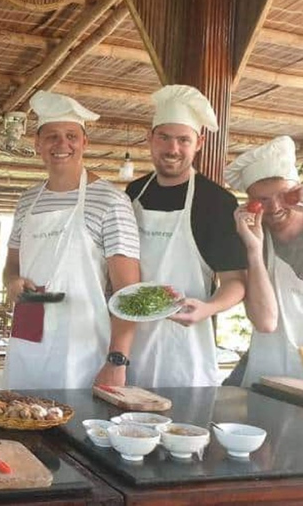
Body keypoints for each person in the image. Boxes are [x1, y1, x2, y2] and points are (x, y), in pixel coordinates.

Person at [3, 91, 141, 389]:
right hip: (28, 339)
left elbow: (128, 292)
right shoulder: (27, 201)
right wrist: (12, 281)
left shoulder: (111, 200)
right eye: (51, 136)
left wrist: (117, 360)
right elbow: (11, 265)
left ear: (84, 143)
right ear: (37, 144)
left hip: (82, 349)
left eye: (71, 136)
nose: (62, 144)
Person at [125, 84, 247, 387]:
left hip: (185, 351)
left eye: (183, 140)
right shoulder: (131, 194)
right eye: (164, 137)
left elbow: (235, 282)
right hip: (127, 343)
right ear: (150, 138)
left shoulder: (217, 202)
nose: (172, 149)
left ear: (199, 143)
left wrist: (208, 308)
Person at [225, 135, 303, 386]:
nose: (276, 207)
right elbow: (265, 321)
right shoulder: (248, 240)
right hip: (268, 369)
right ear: (250, 203)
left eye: (285, 195)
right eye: (263, 200)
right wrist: (255, 251)